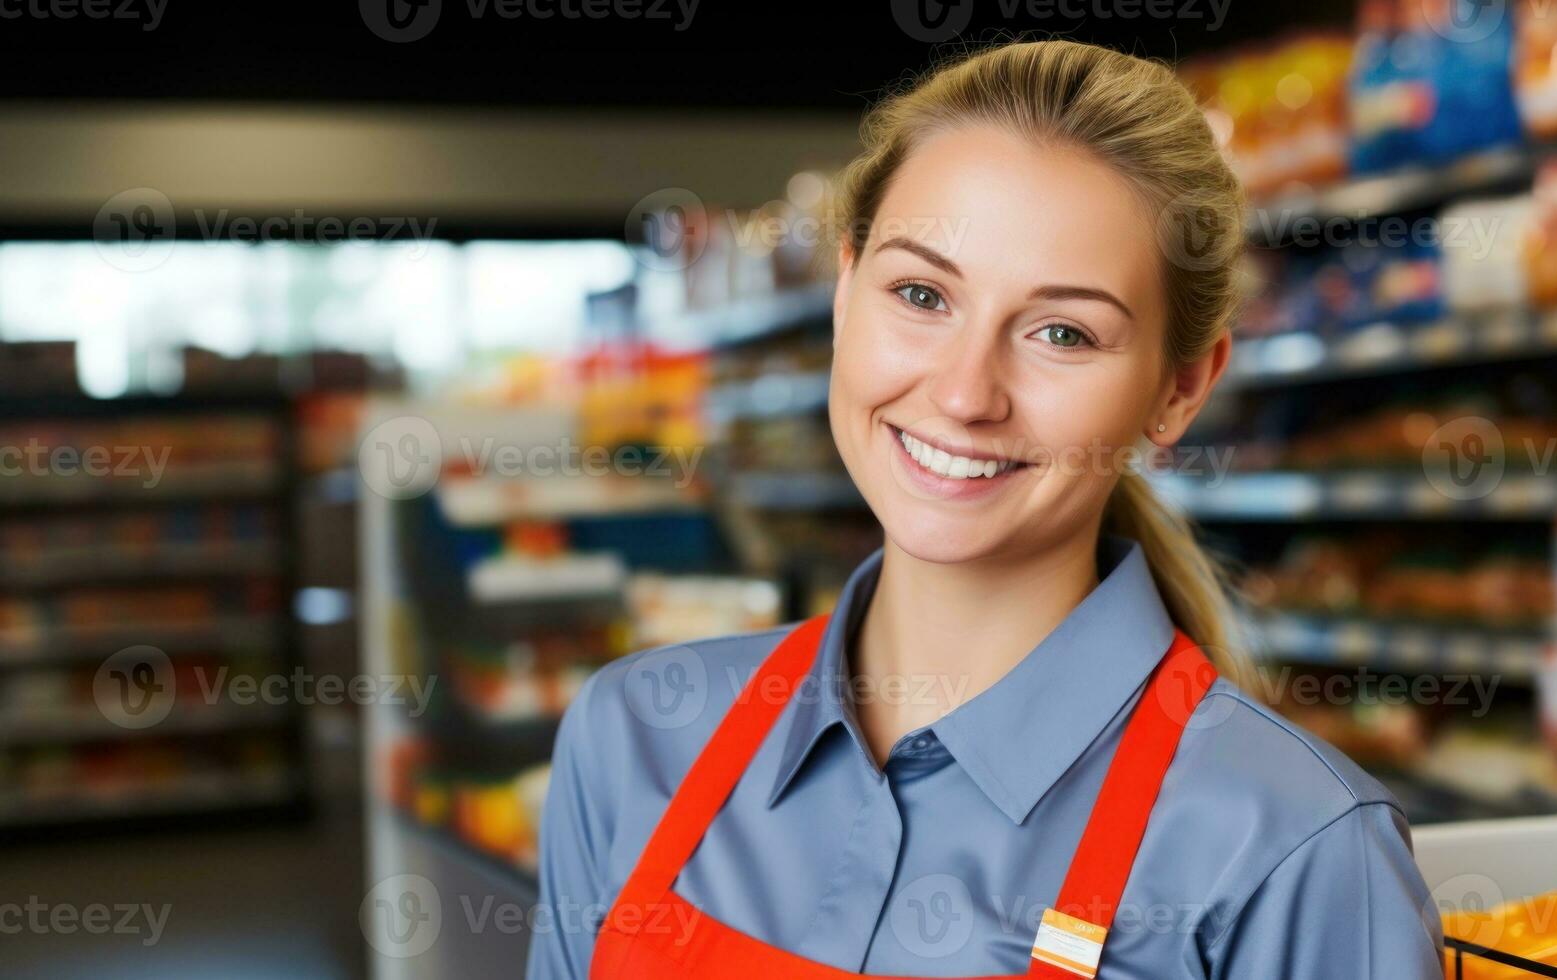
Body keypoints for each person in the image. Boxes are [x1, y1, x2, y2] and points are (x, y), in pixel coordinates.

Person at [528, 38, 1445, 979]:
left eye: (1062, 332)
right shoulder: (636, 736)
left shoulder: (1290, 852)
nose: (967, 394)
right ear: (846, 292)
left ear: (1179, 389)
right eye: (921, 294)